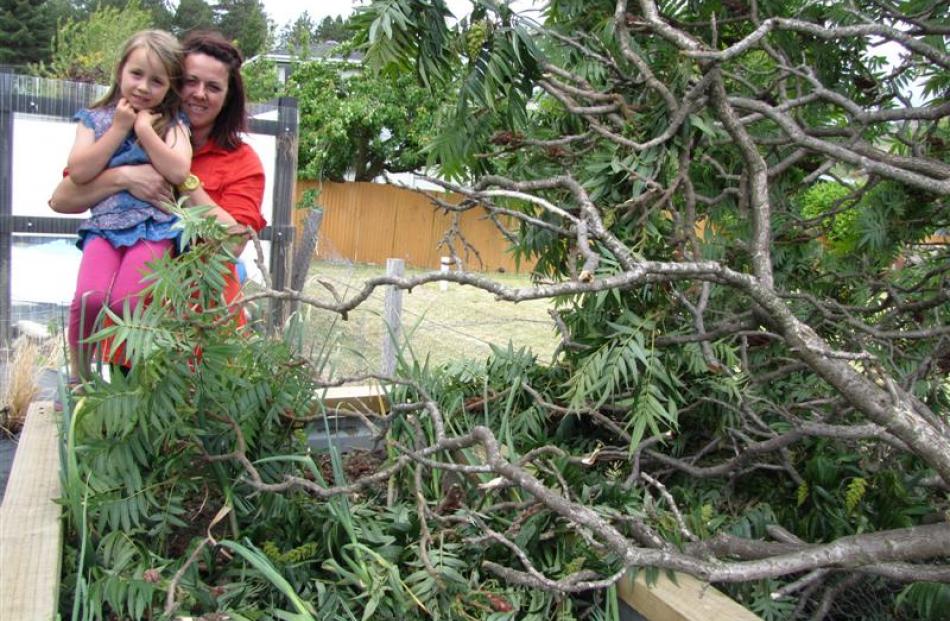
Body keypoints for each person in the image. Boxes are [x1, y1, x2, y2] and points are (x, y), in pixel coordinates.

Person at [49, 30, 267, 370]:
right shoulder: (121, 135)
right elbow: (62, 199)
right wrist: (124, 177)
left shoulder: (241, 161)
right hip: (132, 336)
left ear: (228, 97)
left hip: (205, 334)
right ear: (174, 82)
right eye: (190, 81)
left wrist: (184, 183)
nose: (199, 93)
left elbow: (234, 243)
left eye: (213, 87)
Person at [56, 30, 191, 381]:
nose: (144, 87)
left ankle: (129, 385)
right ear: (120, 71)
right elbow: (81, 171)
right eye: (137, 74)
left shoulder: (172, 124)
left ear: (170, 87)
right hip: (104, 226)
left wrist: (145, 131)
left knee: (125, 305)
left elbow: (178, 170)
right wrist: (119, 128)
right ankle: (80, 377)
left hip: (154, 228)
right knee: (89, 298)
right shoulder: (95, 119)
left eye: (157, 81)